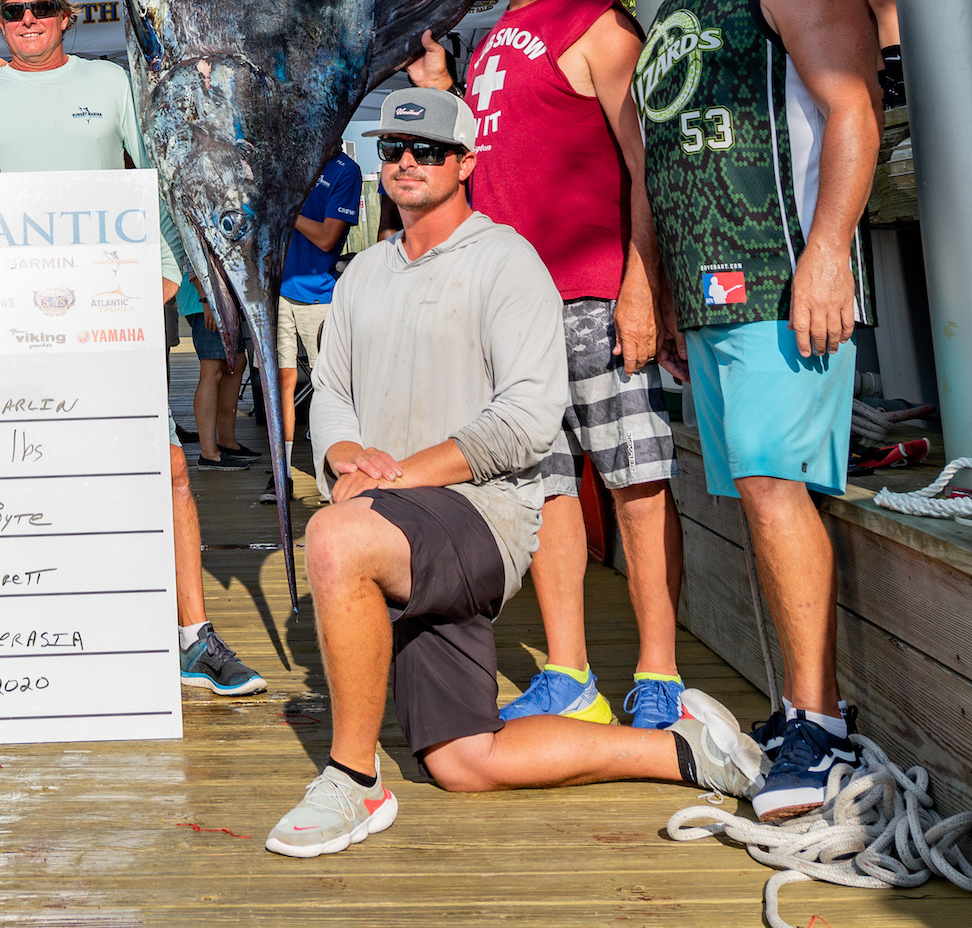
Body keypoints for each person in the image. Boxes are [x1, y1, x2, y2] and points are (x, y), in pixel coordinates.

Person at [266, 87, 763, 860]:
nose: (405, 163)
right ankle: (686, 752)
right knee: (464, 761)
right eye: (391, 150)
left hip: (479, 519)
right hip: (396, 513)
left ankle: (353, 777)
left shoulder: (507, 260)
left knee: (334, 540)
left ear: (466, 163)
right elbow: (330, 391)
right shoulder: (362, 272)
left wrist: (397, 475)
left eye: (427, 151)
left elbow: (531, 417)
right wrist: (340, 456)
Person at [604, 0, 880, 824]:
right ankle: (794, 708)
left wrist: (826, 248)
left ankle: (819, 718)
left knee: (772, 487)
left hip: (776, 278)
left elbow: (850, 106)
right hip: (708, 296)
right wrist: (655, 284)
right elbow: (655, 166)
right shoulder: (672, 6)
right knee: (756, 495)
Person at [0, 0, 267, 698]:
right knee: (16, 473)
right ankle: (19, 634)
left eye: (40, 7)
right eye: (11, 11)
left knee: (168, 470)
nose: (26, 21)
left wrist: (173, 275)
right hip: (4, 322)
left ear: (66, 15)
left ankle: (192, 637)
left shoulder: (109, 82)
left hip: (108, 311)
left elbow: (159, 178)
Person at [408, 0, 686, 733]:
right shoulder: (492, 39)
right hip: (514, 314)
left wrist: (645, 287)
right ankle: (570, 672)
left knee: (636, 484)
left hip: (595, 298)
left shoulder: (601, 24)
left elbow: (650, 166)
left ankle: (660, 668)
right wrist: (440, 95)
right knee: (549, 490)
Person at [263, 143, 365, 505]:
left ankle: (333, 478)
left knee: (328, 387)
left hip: (319, 297)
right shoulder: (288, 165)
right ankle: (282, 474)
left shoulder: (345, 170)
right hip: (277, 294)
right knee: (282, 383)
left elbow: (327, 237)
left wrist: (287, 212)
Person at [178, 268, 253, 468]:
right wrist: (206, 300)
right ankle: (209, 453)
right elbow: (191, 258)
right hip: (204, 300)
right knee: (213, 368)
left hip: (224, 298)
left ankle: (227, 442)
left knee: (237, 362)